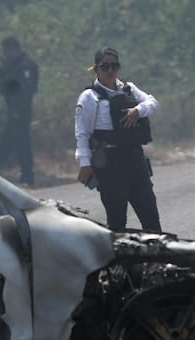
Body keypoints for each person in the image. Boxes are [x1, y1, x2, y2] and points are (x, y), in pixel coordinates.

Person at [74, 47, 162, 232]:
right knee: (117, 222)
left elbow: (153, 102)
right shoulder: (90, 97)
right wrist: (85, 164)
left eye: (114, 66)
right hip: (109, 164)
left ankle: (158, 259)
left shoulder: (128, 89)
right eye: (105, 66)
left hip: (135, 159)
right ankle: (120, 261)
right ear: (96, 68)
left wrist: (138, 111)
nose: (110, 71)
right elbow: (82, 133)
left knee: (150, 217)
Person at [0, 37, 39, 186]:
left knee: (23, 143)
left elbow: (28, 90)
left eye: (8, 50)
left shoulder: (26, 65)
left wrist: (18, 109)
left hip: (22, 111)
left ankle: (28, 176)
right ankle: (1, 174)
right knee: (10, 143)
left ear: (15, 49)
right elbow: (3, 87)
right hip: (11, 110)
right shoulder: (7, 66)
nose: (6, 54)